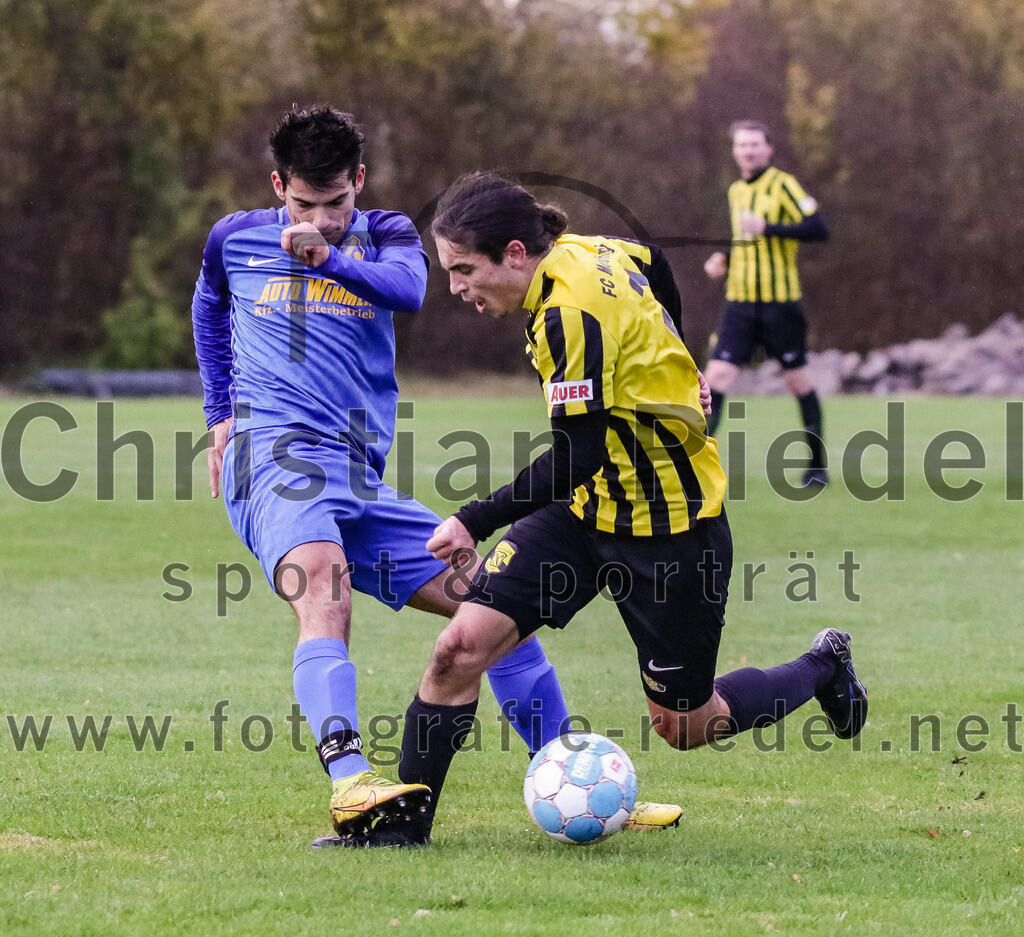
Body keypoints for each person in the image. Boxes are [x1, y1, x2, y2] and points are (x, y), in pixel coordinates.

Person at [380, 172, 866, 847]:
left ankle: (822, 669)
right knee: (459, 648)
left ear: (515, 252)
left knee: (687, 725)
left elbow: (576, 454)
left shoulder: (568, 314)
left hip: (671, 530)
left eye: (465, 269)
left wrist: (471, 518)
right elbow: (655, 260)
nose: (456, 287)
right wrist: (680, 357)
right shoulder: (590, 249)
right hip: (582, 518)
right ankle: (401, 830)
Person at [190, 107, 585, 848]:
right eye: (304, 204)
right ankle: (350, 779)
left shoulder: (391, 234)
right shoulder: (233, 238)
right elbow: (209, 303)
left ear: (359, 183)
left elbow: (408, 290)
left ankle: (573, 773)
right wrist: (219, 409)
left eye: (336, 202)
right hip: (271, 453)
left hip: (355, 471)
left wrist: (324, 258)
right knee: (323, 585)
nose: (322, 217)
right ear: (279, 186)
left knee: (491, 604)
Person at [703, 120, 830, 488]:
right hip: (739, 303)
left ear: (769, 149)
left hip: (780, 304)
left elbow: (818, 229)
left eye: (755, 145)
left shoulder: (784, 185)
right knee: (716, 378)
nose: (748, 151)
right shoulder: (736, 191)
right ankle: (695, 466)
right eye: (742, 145)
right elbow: (741, 237)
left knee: (797, 381)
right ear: (735, 151)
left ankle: (817, 467)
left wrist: (770, 228)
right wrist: (723, 258)